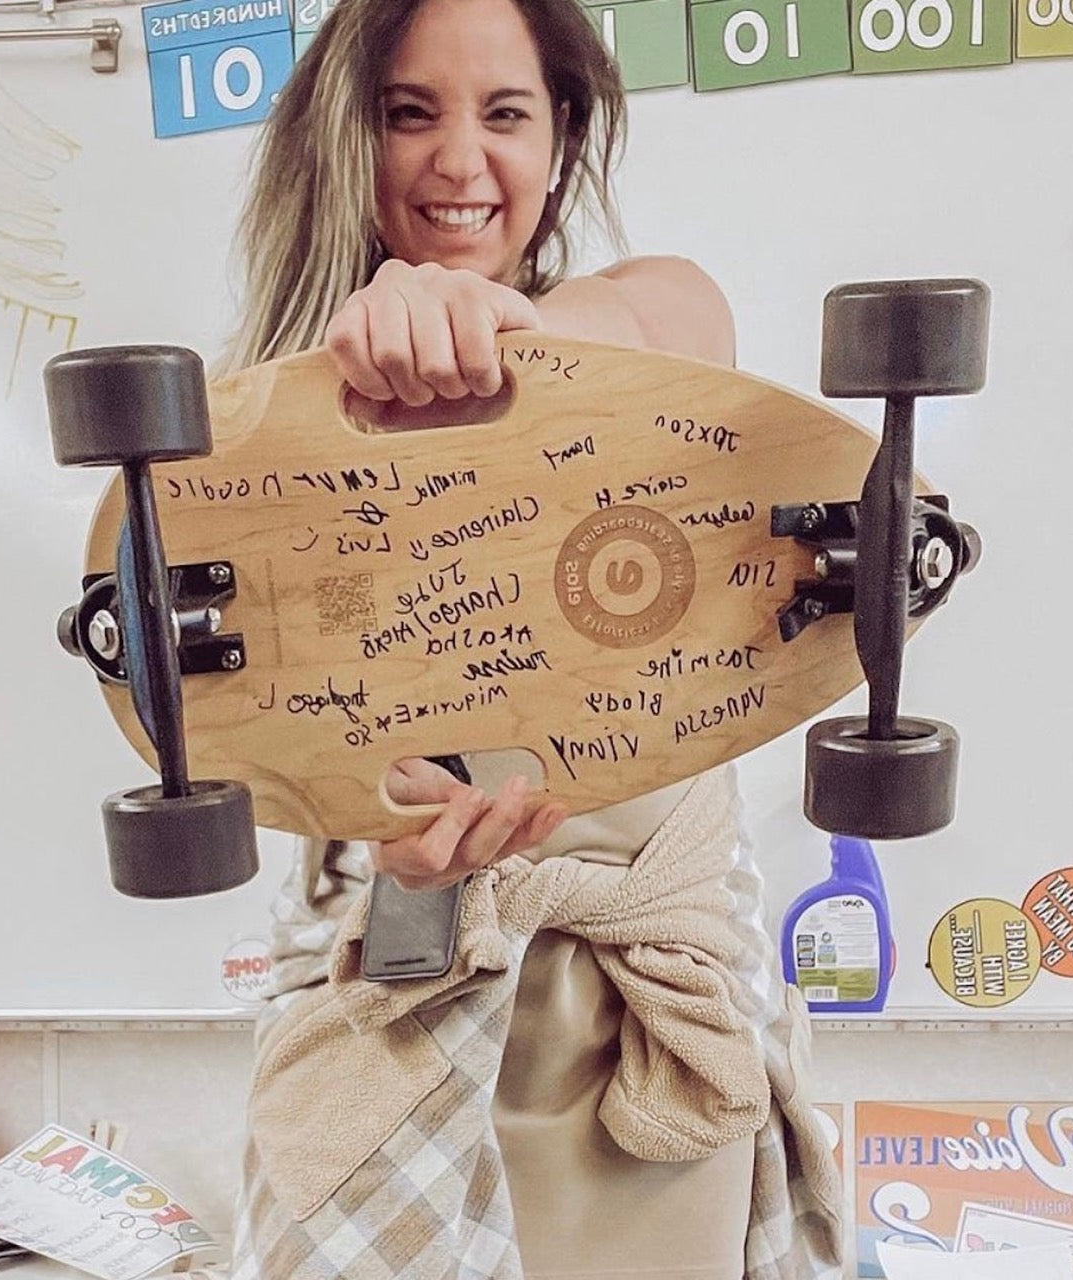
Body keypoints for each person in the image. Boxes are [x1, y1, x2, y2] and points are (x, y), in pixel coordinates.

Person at [226, 1, 843, 1277]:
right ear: (350, 136)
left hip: (641, 1063)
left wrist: (501, 330)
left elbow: (633, 326)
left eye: (505, 113)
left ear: (561, 140)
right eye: (412, 113)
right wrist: (390, 854)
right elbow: (285, 775)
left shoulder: (656, 324)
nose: (461, 162)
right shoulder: (266, 442)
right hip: (387, 1017)